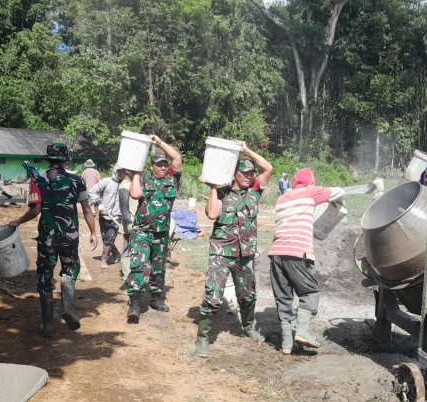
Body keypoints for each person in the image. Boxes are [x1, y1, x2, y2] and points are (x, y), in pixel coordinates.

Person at [8, 144, 99, 337]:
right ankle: (67, 307)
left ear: (48, 159)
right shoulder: (77, 181)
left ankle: (48, 325)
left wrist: (18, 221)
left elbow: (35, 210)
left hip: (47, 238)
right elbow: (87, 210)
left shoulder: (38, 180)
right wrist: (93, 232)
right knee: (69, 271)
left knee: (45, 278)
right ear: (66, 160)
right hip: (70, 237)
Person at [194, 142, 273, 358]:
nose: (249, 176)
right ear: (234, 173)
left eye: (250, 173)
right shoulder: (220, 192)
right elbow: (211, 215)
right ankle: (203, 339)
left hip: (245, 255)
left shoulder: (255, 192)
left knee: (247, 295)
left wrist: (247, 152)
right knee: (213, 296)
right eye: (244, 172)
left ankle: (248, 327)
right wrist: (212, 187)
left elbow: (268, 168)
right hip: (221, 253)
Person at [268, 168, 344, 355]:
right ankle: (302, 331)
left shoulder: (282, 198)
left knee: (283, 297)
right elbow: (339, 192)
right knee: (309, 292)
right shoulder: (310, 192)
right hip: (297, 252)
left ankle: (286, 343)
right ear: (310, 183)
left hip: (276, 253)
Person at [125, 135, 182, 323]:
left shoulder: (172, 180)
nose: (163, 167)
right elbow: (134, 194)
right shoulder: (143, 180)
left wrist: (159, 143)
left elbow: (177, 158)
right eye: (159, 164)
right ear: (152, 166)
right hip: (142, 232)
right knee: (139, 266)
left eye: (165, 164)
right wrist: (135, 173)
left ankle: (156, 298)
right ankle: (134, 302)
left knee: (158, 268)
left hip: (162, 233)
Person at [89, 166, 126, 268]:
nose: (122, 174)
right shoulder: (106, 182)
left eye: (124, 172)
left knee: (110, 238)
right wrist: (99, 202)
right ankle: (116, 253)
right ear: (115, 171)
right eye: (120, 171)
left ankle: (104, 260)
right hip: (104, 214)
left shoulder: (125, 185)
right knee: (105, 238)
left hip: (117, 216)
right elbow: (92, 192)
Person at [118, 172, 135, 288]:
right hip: (130, 222)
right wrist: (129, 222)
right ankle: (127, 277)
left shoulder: (136, 183)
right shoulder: (124, 185)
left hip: (138, 222)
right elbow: (124, 207)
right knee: (127, 248)